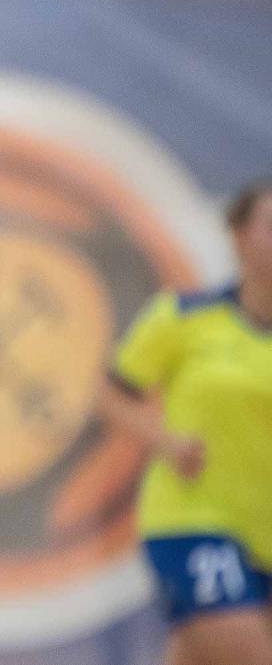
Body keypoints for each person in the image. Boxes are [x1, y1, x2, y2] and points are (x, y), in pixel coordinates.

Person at [99, 178, 272, 665]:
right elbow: (111, 394)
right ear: (239, 236)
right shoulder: (185, 316)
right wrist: (165, 440)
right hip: (194, 519)